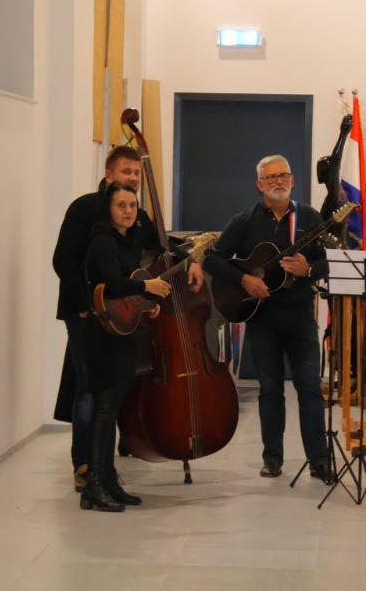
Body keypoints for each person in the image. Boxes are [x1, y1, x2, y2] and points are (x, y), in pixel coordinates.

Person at [51, 146, 204, 491]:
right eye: (126, 172)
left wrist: (191, 259)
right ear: (108, 175)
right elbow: (63, 260)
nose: (133, 178)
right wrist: (85, 304)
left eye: (136, 173)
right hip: (86, 312)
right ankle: (85, 466)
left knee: (115, 386)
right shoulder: (84, 209)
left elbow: (162, 244)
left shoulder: (137, 215)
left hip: (122, 313)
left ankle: (108, 463)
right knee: (88, 388)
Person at [203, 155, 333, 483]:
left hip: (301, 315)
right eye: (271, 177)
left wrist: (310, 269)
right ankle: (272, 458)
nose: (278, 181)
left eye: (283, 175)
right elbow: (213, 259)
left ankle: (319, 461)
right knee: (270, 389)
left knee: (310, 388)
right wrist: (244, 280)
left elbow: (330, 261)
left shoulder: (309, 217)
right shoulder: (245, 220)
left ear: (292, 180)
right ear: (259, 184)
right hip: (262, 317)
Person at [80, 182, 172, 511]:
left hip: (121, 332)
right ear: (109, 208)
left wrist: (147, 303)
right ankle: (94, 486)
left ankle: (109, 481)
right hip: (104, 335)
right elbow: (113, 284)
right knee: (105, 410)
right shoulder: (103, 241)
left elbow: (128, 289)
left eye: (132, 205)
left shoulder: (128, 241)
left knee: (113, 408)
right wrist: (147, 287)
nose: (128, 211)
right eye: (121, 205)